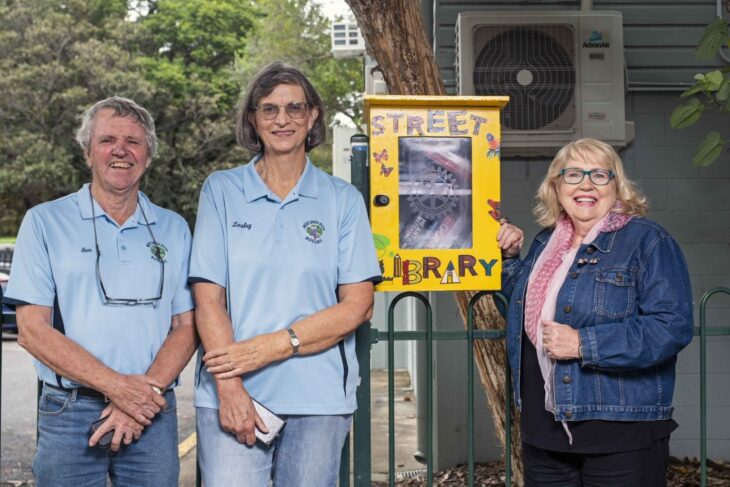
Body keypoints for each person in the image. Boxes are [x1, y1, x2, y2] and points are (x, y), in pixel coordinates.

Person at [189, 61, 381, 486]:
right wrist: (231, 387)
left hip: (319, 399)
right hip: (234, 392)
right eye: (269, 109)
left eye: (295, 108)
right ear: (253, 119)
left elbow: (357, 305)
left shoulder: (341, 199)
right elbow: (208, 300)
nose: (282, 119)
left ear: (312, 116)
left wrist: (270, 347)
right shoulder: (221, 191)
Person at [3, 97, 197, 486]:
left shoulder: (173, 228)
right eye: (108, 139)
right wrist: (120, 389)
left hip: (152, 411)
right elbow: (33, 331)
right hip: (69, 411)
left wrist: (143, 395)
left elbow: (187, 326)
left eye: (134, 141)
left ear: (148, 155)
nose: (121, 150)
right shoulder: (45, 222)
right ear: (88, 152)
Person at [496, 138, 693, 486]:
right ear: (556, 186)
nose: (586, 184)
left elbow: (671, 327)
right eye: (573, 174)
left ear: (616, 187)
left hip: (619, 433)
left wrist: (583, 343)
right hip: (544, 431)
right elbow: (525, 309)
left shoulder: (648, 242)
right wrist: (511, 258)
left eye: (599, 175)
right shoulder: (547, 241)